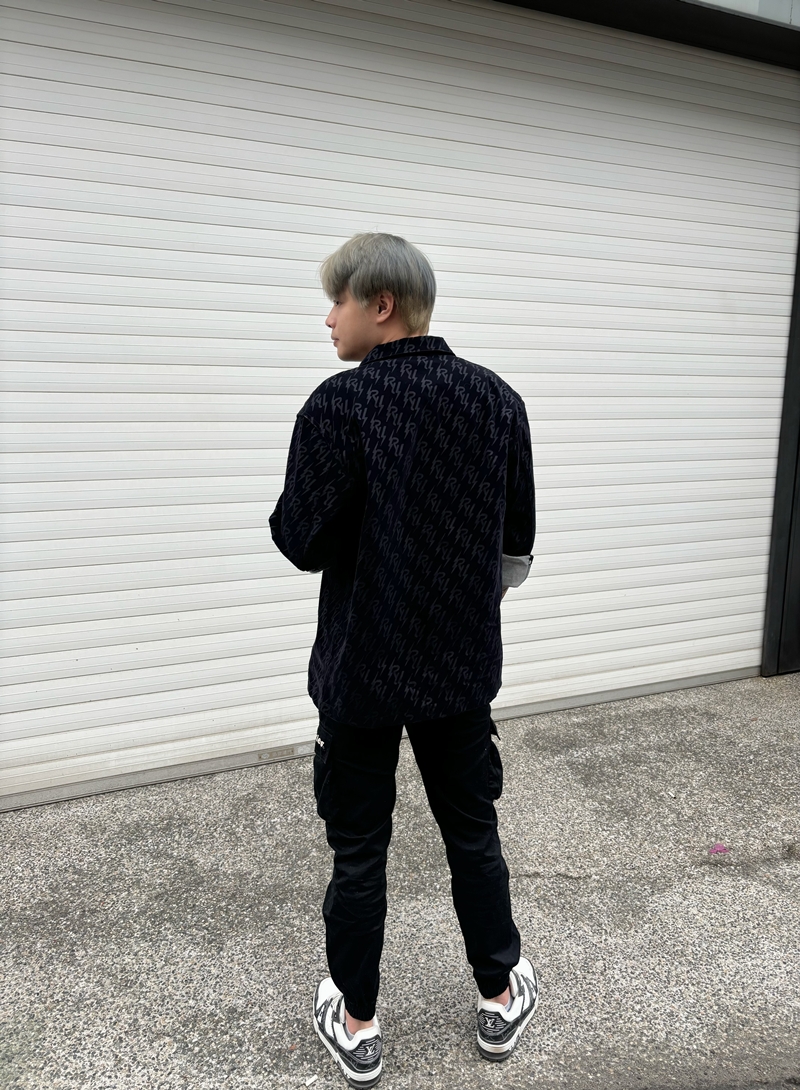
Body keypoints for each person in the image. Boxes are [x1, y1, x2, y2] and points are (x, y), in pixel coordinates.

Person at [269, 233, 537, 1087]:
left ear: (380, 305)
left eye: (337, 301)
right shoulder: (496, 400)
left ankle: (357, 1022)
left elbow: (301, 542)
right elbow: (516, 546)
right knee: (472, 834)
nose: (328, 319)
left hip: (359, 674)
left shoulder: (338, 406)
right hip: (458, 674)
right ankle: (499, 996)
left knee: (359, 851)